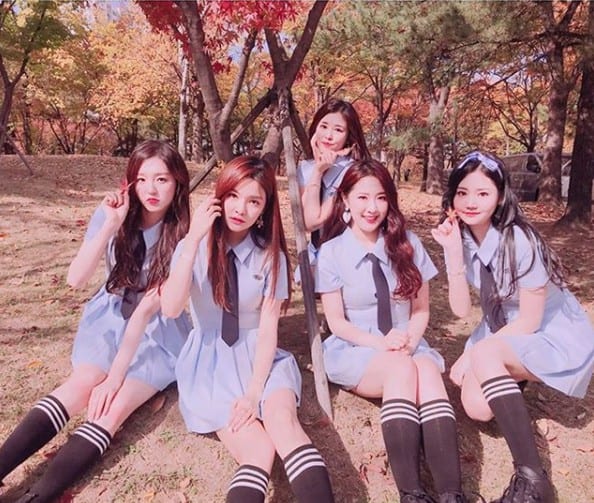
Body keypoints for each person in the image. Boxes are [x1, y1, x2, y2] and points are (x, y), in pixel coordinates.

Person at [0, 140, 192, 502]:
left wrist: (116, 376)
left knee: (113, 407)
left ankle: (37, 498)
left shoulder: (184, 236)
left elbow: (152, 312)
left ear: (178, 182)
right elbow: (75, 279)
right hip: (109, 317)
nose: (151, 189)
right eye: (142, 179)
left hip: (156, 332)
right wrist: (110, 225)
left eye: (162, 179)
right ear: (130, 182)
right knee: (82, 383)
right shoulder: (112, 214)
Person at [161, 156, 334, 503]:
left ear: (265, 209)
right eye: (233, 196)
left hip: (262, 359)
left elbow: (269, 327)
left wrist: (255, 392)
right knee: (258, 450)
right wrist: (192, 240)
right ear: (220, 196)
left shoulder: (271, 256)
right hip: (211, 365)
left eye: (254, 201)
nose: (241, 208)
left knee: (284, 425)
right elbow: (171, 308)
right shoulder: (192, 247)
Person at [431, 150, 594, 503]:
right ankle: (508, 374)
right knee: (477, 408)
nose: (471, 202)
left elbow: (530, 320)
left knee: (483, 354)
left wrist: (474, 353)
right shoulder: (460, 237)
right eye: (462, 192)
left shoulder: (520, 240)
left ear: (500, 196)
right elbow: (461, 311)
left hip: (549, 329)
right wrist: (453, 255)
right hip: (504, 327)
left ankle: (533, 479)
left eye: (483, 193)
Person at [316, 159, 468, 503]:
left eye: (381, 198)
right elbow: (337, 322)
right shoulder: (332, 252)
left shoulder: (407, 242)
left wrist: (410, 341)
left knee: (426, 371)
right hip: (357, 347)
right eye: (362, 197)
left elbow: (421, 309)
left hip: (407, 341)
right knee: (402, 367)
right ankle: (411, 494)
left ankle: (451, 494)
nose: (372, 208)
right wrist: (381, 343)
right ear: (345, 199)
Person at [297, 98, 371, 261]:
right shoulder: (305, 169)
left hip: (348, 257)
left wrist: (318, 172)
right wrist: (317, 171)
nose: (328, 136)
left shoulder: (354, 171)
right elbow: (304, 224)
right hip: (314, 256)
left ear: (348, 136)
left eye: (338, 130)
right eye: (323, 126)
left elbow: (313, 221)